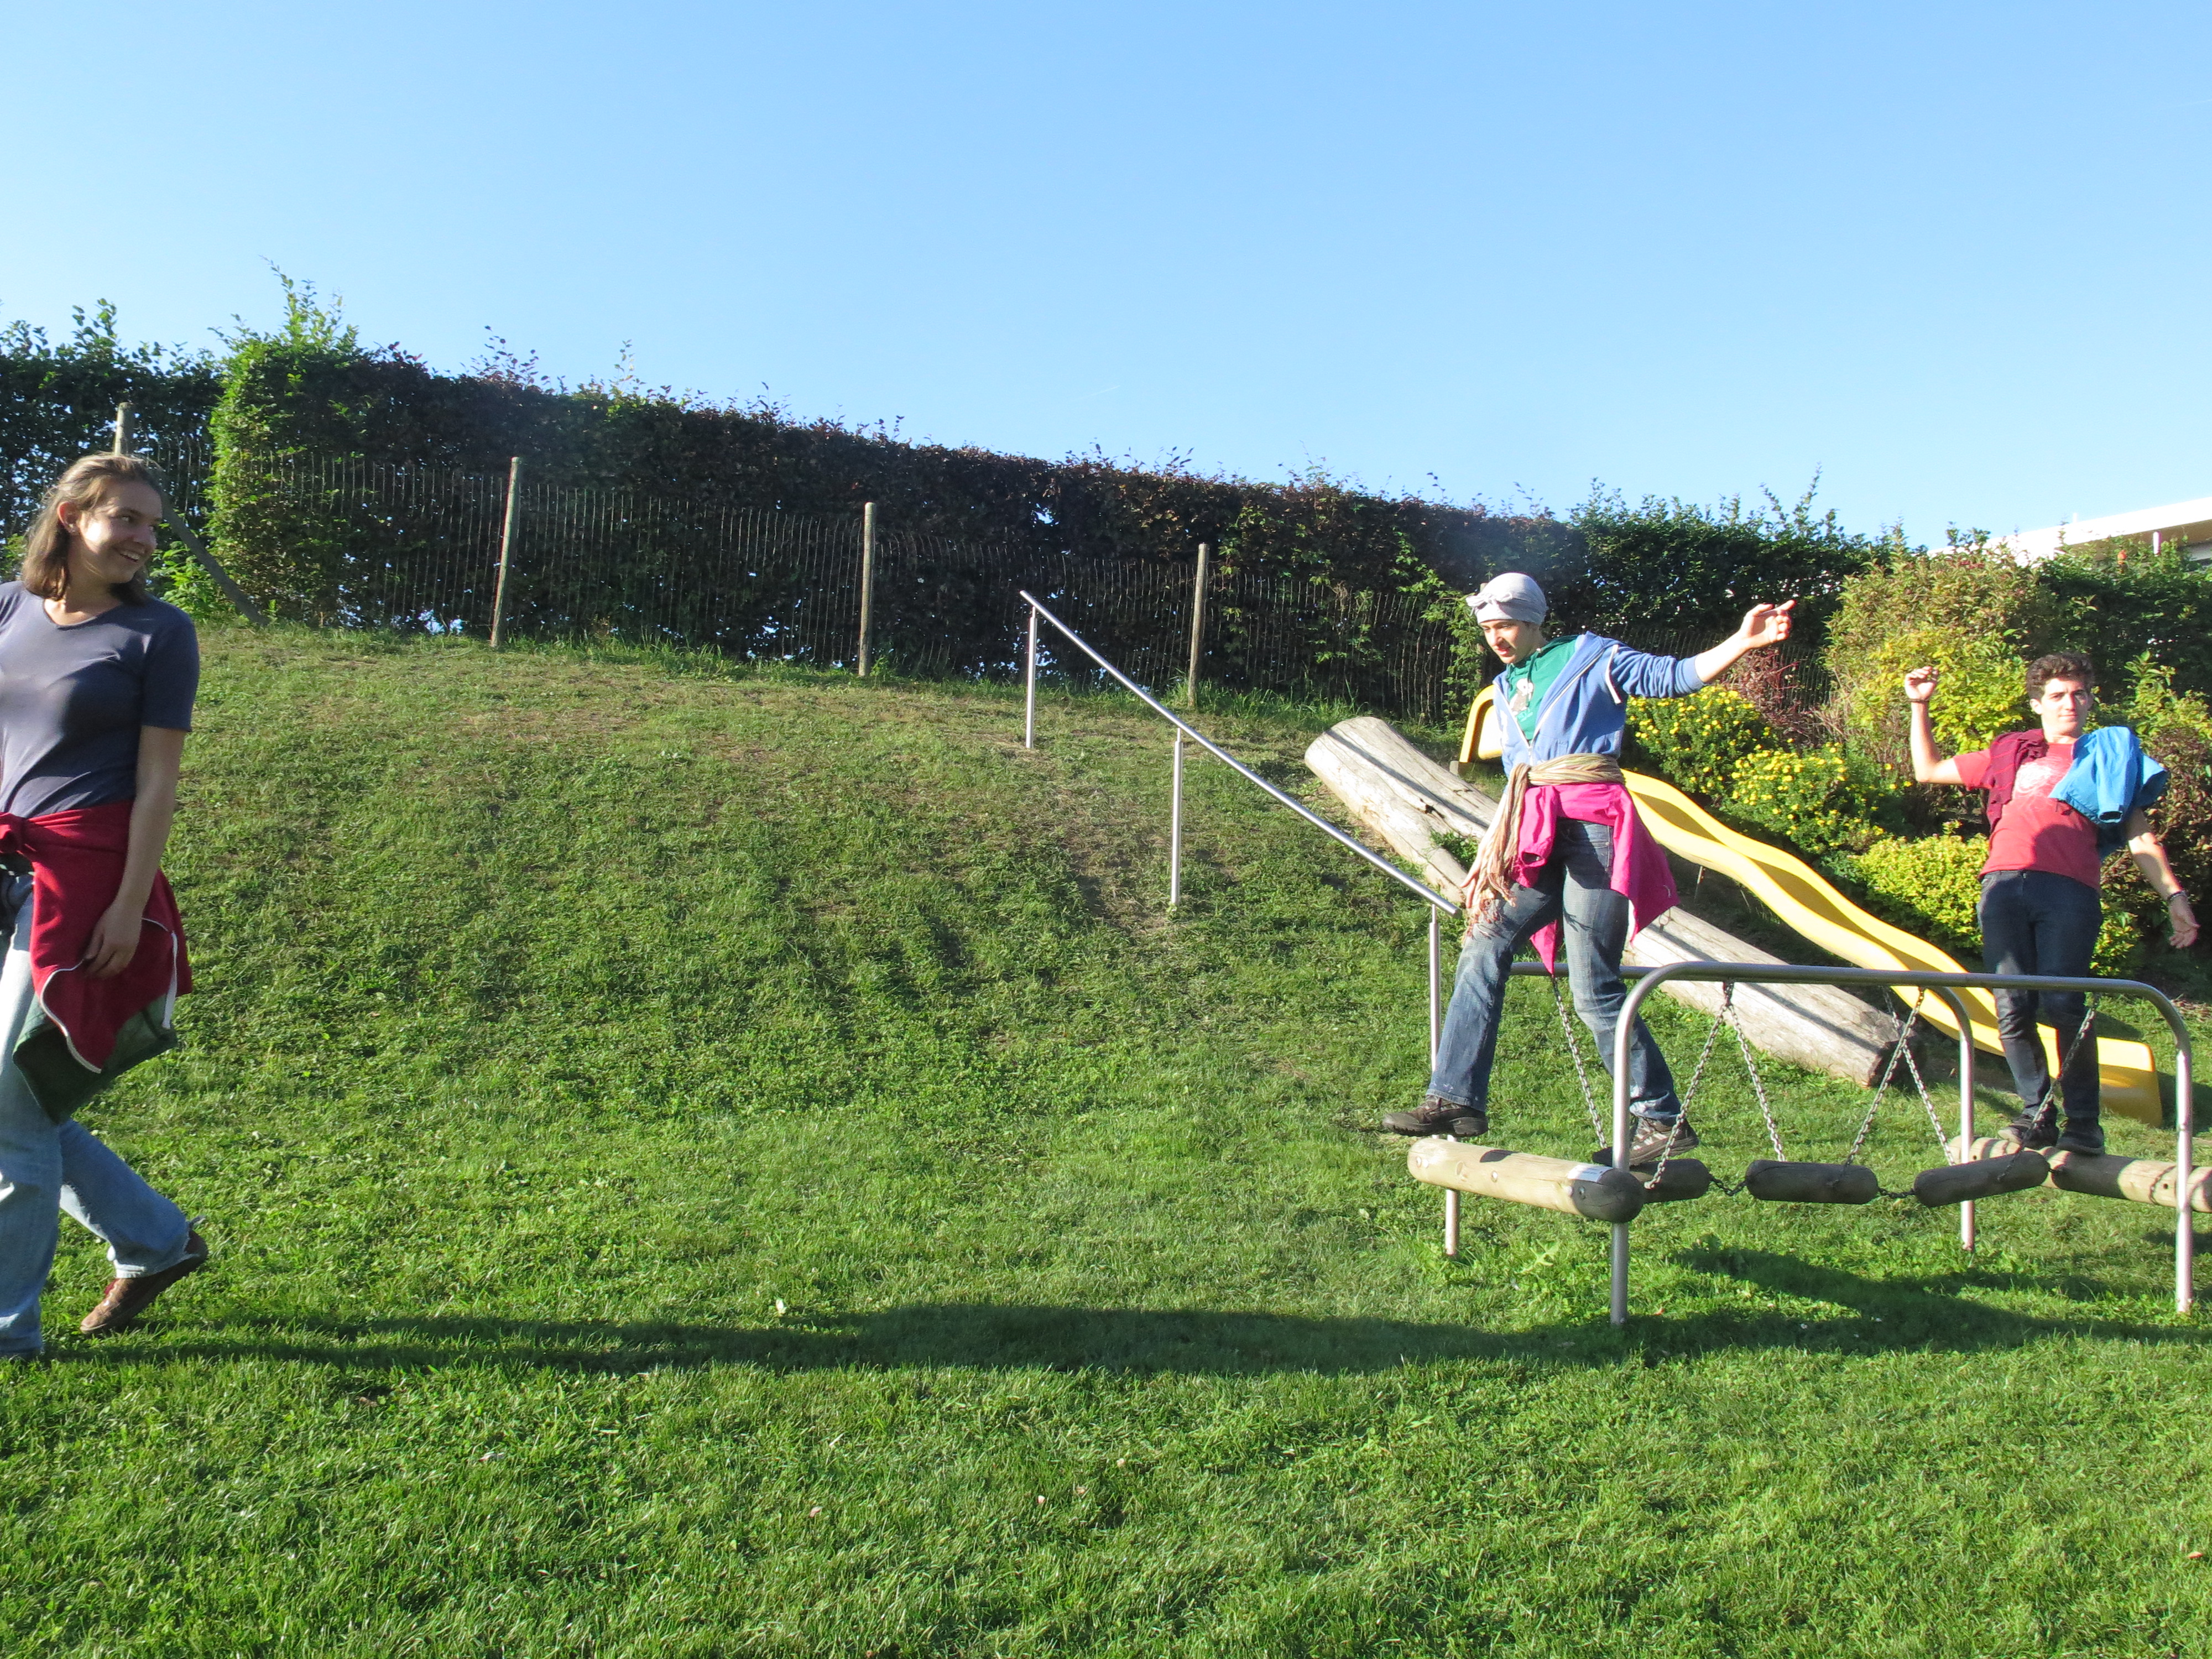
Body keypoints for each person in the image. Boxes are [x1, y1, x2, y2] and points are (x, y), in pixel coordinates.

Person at [1384, 572, 1796, 1162]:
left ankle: (1661, 1120)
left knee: (1593, 987)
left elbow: (1673, 677)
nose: (1496, 638)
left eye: (1505, 625)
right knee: (1483, 943)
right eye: (1488, 628)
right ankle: (1455, 1097)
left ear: (1532, 620)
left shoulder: (1593, 657)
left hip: (1594, 830)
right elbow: (1521, 771)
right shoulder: (1505, 685)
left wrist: (1743, 640)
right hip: (1536, 833)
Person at [0, 453, 206, 1359]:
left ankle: (9, 1335)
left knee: (10, 1105)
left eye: (151, 525)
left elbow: (158, 787)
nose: (143, 539)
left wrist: (129, 906)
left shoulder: (159, 633)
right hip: (5, 862)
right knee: (15, 1102)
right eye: (125, 517)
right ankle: (157, 1241)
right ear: (72, 516)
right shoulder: (8, 609)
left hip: (83, 879)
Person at [1905, 653, 2197, 1154]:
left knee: (2064, 1004)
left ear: (2091, 700)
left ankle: (2084, 1125)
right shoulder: (2012, 753)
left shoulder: (2108, 758)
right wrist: (1920, 706)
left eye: (2079, 694)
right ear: (2038, 704)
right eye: (2058, 695)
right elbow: (1928, 770)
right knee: (2012, 1007)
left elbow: (2140, 837)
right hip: (2002, 886)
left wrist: (2174, 895)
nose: (2070, 703)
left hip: (2069, 891)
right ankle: (2036, 1116)